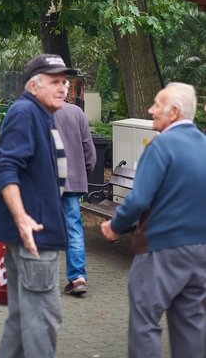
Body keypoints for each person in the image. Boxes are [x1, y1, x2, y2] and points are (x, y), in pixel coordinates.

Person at [101, 82, 206, 358]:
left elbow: (138, 200)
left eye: (157, 105)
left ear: (173, 112)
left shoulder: (161, 147)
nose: (150, 110)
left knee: (145, 323)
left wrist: (115, 226)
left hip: (161, 251)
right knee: (191, 326)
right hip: (200, 254)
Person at [0, 53, 75, 358]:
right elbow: (5, 167)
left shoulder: (37, 113)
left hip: (28, 231)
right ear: (33, 85)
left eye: (65, 81)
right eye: (54, 81)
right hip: (33, 233)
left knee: (23, 316)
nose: (63, 87)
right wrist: (22, 218)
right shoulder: (26, 113)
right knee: (42, 319)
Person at [54, 86, 96, 296]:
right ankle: (78, 276)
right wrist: (83, 172)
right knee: (74, 227)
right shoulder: (77, 113)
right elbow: (89, 148)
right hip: (72, 180)